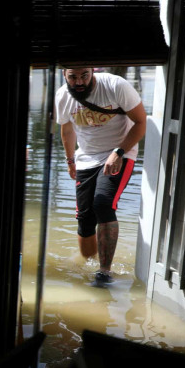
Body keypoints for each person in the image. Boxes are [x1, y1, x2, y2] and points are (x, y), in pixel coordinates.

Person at [55, 67, 147, 286]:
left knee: (103, 203)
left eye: (84, 75)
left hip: (120, 152)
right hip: (86, 157)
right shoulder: (62, 96)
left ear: (92, 71)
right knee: (85, 218)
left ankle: (104, 272)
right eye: (73, 77)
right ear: (64, 75)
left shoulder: (116, 86)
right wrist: (70, 161)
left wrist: (119, 152)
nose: (79, 81)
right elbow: (67, 130)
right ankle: (88, 264)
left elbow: (141, 122)